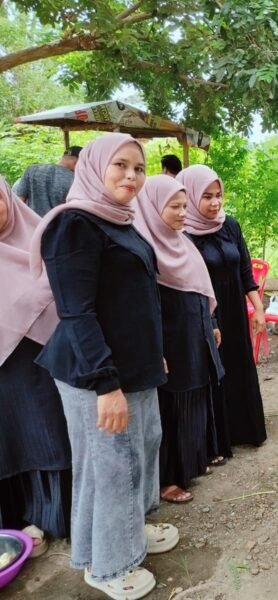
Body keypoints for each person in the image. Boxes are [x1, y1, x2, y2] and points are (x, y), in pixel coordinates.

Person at [30, 133, 179, 599]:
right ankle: (108, 564)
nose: (132, 176)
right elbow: (77, 312)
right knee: (111, 466)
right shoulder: (74, 225)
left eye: (139, 168)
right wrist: (105, 385)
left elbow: (135, 298)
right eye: (121, 165)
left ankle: (130, 532)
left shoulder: (121, 220)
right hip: (94, 373)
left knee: (143, 451)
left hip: (133, 366)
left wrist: (152, 351)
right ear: (95, 168)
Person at [134, 175, 225, 504]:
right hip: (170, 341)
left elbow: (199, 286)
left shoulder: (180, 242)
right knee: (171, 408)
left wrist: (211, 322)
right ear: (153, 207)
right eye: (174, 206)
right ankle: (168, 478)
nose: (183, 213)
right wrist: (153, 349)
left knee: (195, 399)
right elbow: (144, 308)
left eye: (185, 206)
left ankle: (192, 462)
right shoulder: (146, 248)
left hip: (194, 334)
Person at [0, 176, 71, 557]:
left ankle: (49, 515)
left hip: (42, 360)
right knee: (10, 439)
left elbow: (63, 292)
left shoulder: (41, 241)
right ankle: (16, 521)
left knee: (46, 432)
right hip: (4, 373)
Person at [180, 165, 267, 457]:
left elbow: (245, 270)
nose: (215, 203)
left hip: (235, 311)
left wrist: (258, 309)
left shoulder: (230, 225)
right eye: (206, 196)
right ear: (191, 196)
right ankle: (218, 440)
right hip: (205, 314)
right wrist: (208, 319)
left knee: (239, 364)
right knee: (213, 371)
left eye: (218, 195)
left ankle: (245, 429)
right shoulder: (183, 233)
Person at [14, 146, 82, 216]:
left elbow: (19, 202)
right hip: (59, 222)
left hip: (32, 221)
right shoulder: (74, 179)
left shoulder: (31, 170)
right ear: (77, 161)